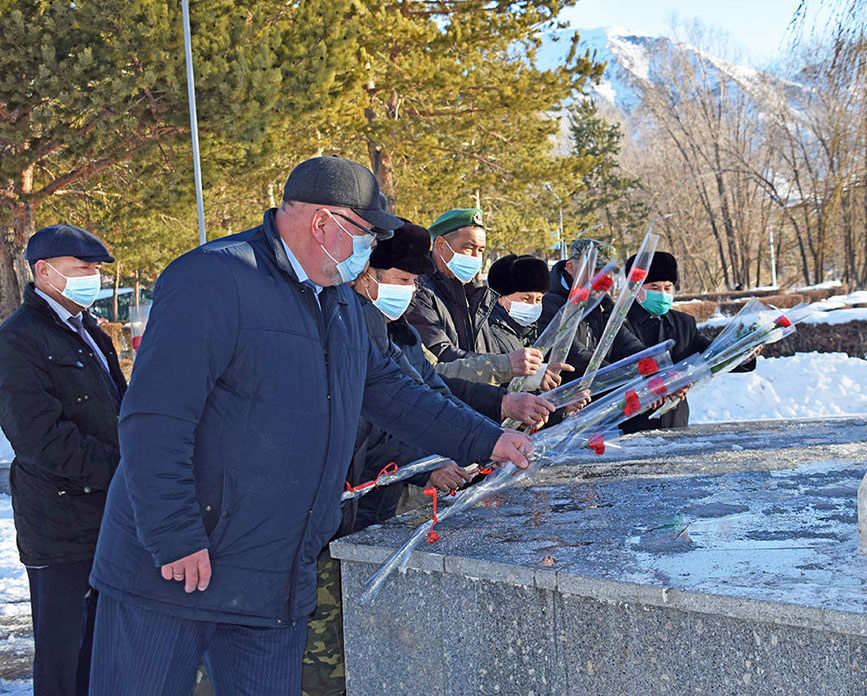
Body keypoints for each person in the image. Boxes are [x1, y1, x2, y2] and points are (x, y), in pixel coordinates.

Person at [87, 156, 533, 695]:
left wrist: (489, 439)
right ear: (323, 223)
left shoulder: (340, 302)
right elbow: (155, 420)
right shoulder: (216, 278)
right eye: (367, 236)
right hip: (176, 570)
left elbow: (396, 393)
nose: (370, 251)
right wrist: (174, 535)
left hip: (274, 574)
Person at [302, 221, 556, 695]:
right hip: (333, 511)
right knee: (324, 653)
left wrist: (487, 436)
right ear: (366, 275)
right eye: (402, 280)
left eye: (415, 281)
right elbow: (369, 420)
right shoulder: (343, 328)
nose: (411, 290)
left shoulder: (395, 332)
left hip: (371, 510)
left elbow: (433, 393)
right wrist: (428, 461)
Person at [0, 224, 127, 696]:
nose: (93, 277)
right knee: (65, 660)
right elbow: (43, 440)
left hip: (106, 519)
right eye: (83, 269)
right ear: (44, 272)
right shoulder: (18, 340)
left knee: (102, 652)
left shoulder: (88, 329)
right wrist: (125, 470)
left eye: (95, 269)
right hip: (60, 527)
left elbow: (118, 408)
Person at [620, 250, 756, 432]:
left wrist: (741, 353)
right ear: (636, 288)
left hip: (675, 422)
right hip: (630, 424)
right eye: (654, 288)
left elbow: (711, 354)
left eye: (667, 288)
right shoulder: (619, 324)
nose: (662, 294)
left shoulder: (683, 323)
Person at [406, 208, 543, 386]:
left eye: (480, 250)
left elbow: (485, 353)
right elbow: (443, 357)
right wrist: (508, 367)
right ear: (440, 245)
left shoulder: (475, 295)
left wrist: (530, 378)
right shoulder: (419, 292)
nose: (476, 257)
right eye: (469, 248)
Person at [538, 238, 647, 376]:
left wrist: (650, 363)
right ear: (571, 267)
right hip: (563, 390)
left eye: (608, 272)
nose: (604, 277)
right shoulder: (548, 303)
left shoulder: (600, 302)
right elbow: (572, 353)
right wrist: (619, 376)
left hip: (594, 389)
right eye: (595, 270)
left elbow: (621, 339)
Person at [486, 253, 552, 355]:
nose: (533, 305)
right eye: (526, 299)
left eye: (538, 299)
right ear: (500, 299)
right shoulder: (489, 333)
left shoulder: (527, 333)